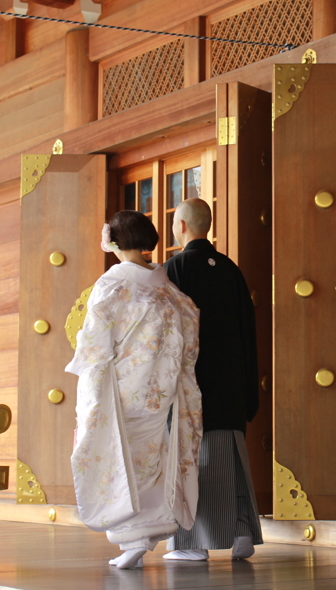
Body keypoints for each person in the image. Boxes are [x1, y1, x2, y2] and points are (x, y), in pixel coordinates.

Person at [66, 210, 202, 570]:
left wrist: (91, 382)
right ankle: (145, 534)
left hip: (122, 387)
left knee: (119, 457)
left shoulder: (112, 284)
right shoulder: (169, 289)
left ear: (113, 240)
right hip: (159, 389)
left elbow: (95, 343)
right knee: (149, 459)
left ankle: (132, 539)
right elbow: (190, 340)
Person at [162, 198, 263, 562]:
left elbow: (166, 333)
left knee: (196, 462)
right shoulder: (231, 270)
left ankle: (192, 543)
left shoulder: (175, 268)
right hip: (231, 385)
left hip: (194, 387)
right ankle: (242, 533)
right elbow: (248, 332)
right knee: (233, 459)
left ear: (182, 226)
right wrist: (248, 387)